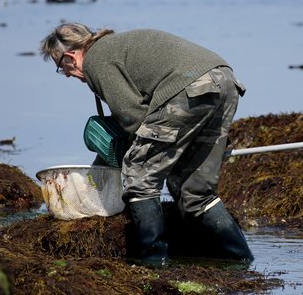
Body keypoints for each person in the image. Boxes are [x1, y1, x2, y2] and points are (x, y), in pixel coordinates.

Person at [40, 23, 253, 265]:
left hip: (190, 88)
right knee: (195, 191)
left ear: (70, 56)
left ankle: (153, 262)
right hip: (224, 81)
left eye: (61, 68)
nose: (67, 75)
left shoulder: (96, 60)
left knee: (139, 177)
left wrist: (124, 163)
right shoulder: (114, 47)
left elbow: (133, 117)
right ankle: (241, 260)